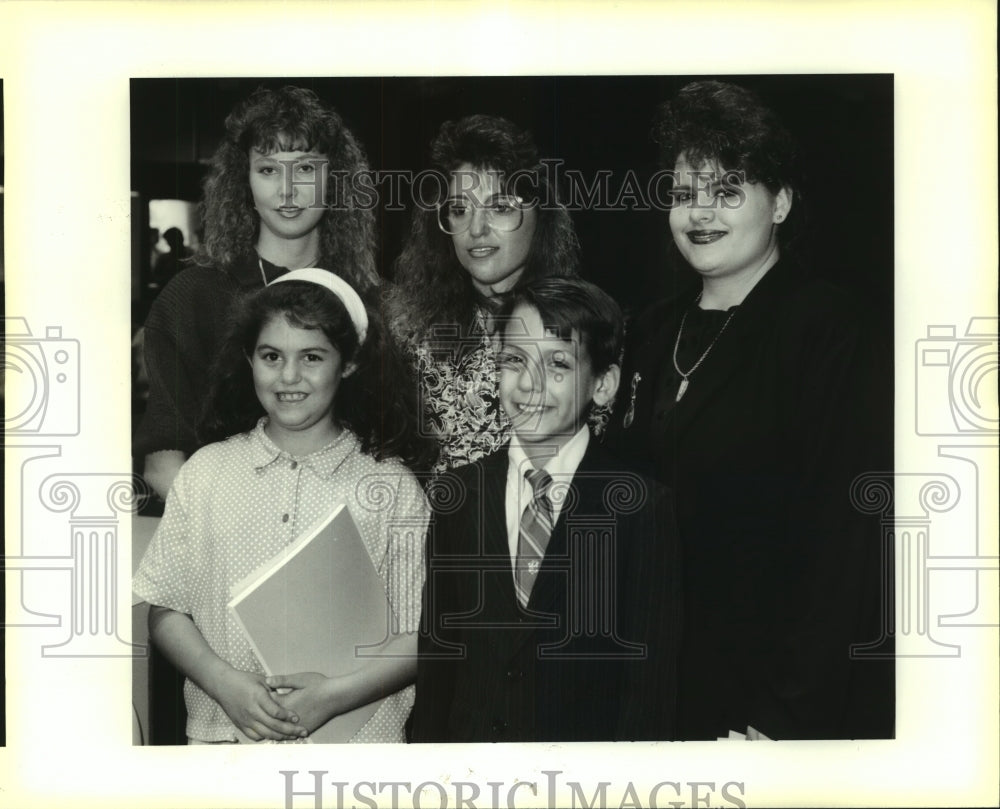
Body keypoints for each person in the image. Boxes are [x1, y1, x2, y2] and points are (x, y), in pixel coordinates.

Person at [607, 80, 893, 740]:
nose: (699, 212)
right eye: (684, 194)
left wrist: (784, 719)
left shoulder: (828, 330)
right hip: (656, 689)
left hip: (769, 703)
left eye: (728, 190)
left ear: (782, 202)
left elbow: (848, 543)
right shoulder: (650, 330)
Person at [133, 269, 428, 744]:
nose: (289, 376)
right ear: (249, 358)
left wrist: (333, 696)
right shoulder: (207, 473)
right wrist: (222, 683)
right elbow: (166, 607)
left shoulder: (390, 487)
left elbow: (419, 636)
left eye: (312, 357)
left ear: (348, 364)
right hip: (224, 744)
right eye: (272, 356)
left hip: (356, 754)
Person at [409, 277, 680, 742]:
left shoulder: (640, 507)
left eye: (558, 364)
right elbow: (440, 659)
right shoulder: (460, 493)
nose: (530, 383)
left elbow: (649, 688)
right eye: (515, 360)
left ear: (603, 384)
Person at [135, 85, 378, 500]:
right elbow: (163, 464)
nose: (286, 191)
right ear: (243, 180)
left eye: (305, 169)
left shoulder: (371, 303)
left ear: (334, 178)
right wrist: (247, 535)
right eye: (268, 169)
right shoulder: (192, 298)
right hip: (221, 534)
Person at [387, 114, 583, 475]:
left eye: (500, 207)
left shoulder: (581, 327)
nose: (476, 229)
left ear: (540, 214)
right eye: (460, 210)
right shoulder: (408, 336)